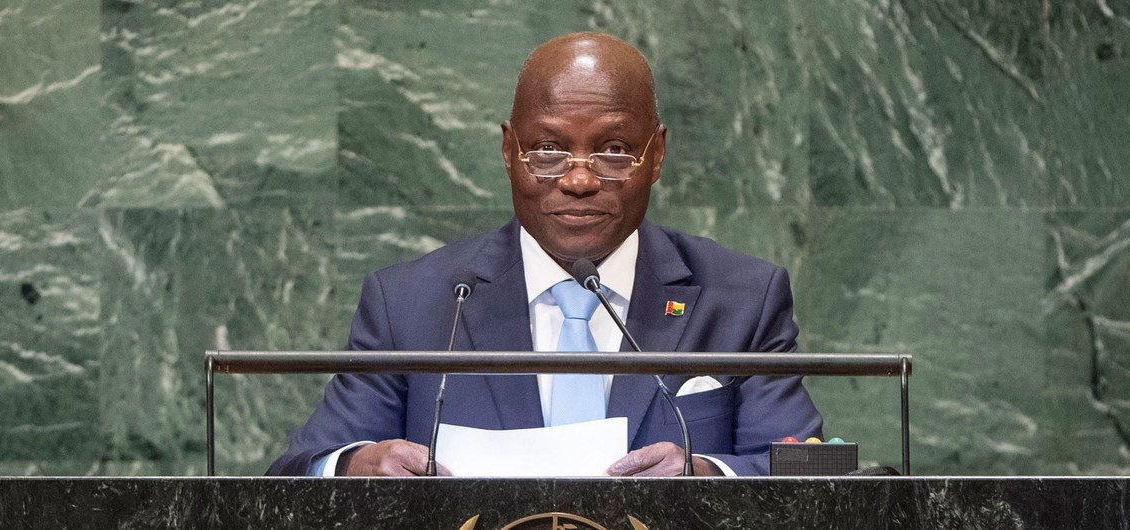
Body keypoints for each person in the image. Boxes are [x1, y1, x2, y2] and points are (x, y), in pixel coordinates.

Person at [268, 32, 822, 477]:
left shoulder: (742, 298)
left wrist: (705, 472)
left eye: (614, 150)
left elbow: (809, 471)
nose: (579, 179)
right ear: (509, 151)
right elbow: (299, 470)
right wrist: (353, 464)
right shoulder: (411, 303)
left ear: (657, 156)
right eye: (549, 149)